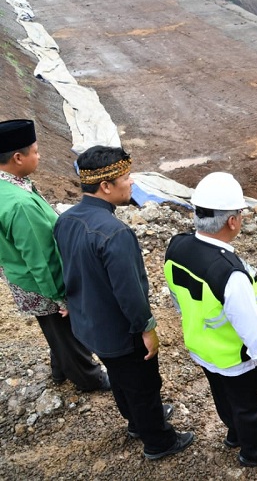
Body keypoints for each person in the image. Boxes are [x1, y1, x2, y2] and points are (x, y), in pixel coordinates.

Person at [53, 145, 193, 460]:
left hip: (88, 323)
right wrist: (146, 328)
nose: (132, 184)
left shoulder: (66, 220)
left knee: (119, 377)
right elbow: (129, 293)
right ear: (106, 186)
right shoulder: (115, 234)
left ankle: (136, 421)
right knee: (143, 383)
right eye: (127, 178)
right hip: (119, 329)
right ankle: (158, 440)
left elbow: (66, 268)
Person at [163, 172, 257, 470]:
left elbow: (176, 297)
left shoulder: (177, 246)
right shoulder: (230, 272)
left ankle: (234, 432)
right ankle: (255, 451)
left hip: (203, 347)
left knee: (222, 395)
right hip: (236, 356)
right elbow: (248, 323)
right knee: (248, 405)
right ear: (232, 221)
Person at [0, 119, 109, 392]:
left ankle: (59, 369)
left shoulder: (10, 187)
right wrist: (60, 296)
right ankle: (89, 378)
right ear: (17, 157)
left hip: (21, 274)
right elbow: (42, 259)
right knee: (63, 330)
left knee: (55, 331)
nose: (39, 156)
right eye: (35, 151)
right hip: (41, 283)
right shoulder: (20, 204)